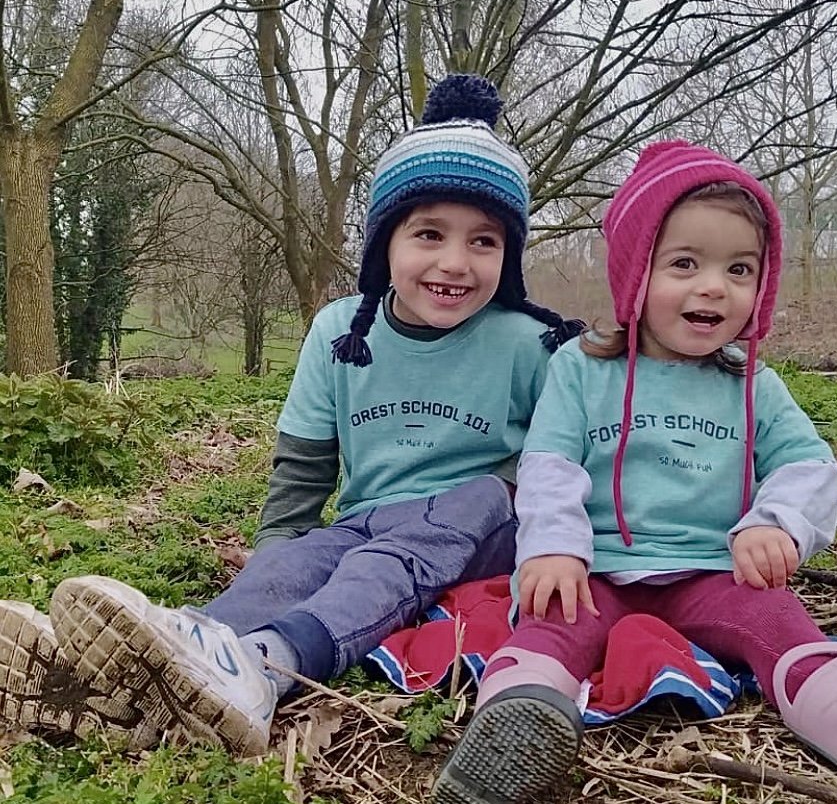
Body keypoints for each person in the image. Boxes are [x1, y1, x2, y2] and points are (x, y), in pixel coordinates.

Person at [429, 140, 837, 804]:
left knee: (782, 626)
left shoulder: (752, 385)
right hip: (598, 570)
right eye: (685, 264)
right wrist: (555, 547)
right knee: (550, 624)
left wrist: (777, 522)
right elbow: (550, 464)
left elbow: (810, 465)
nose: (715, 287)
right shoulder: (582, 370)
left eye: (739, 269)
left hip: (713, 571)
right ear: (633, 275)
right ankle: (516, 721)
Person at [0, 73, 583, 756]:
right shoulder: (342, 331)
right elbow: (303, 469)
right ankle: (150, 661)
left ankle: (265, 672)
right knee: (299, 560)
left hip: (482, 527)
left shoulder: (528, 342)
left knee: (404, 548)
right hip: (368, 517)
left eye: (484, 242)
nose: (455, 262)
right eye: (429, 234)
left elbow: (566, 457)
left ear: (509, 255)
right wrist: (272, 561)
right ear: (385, 244)